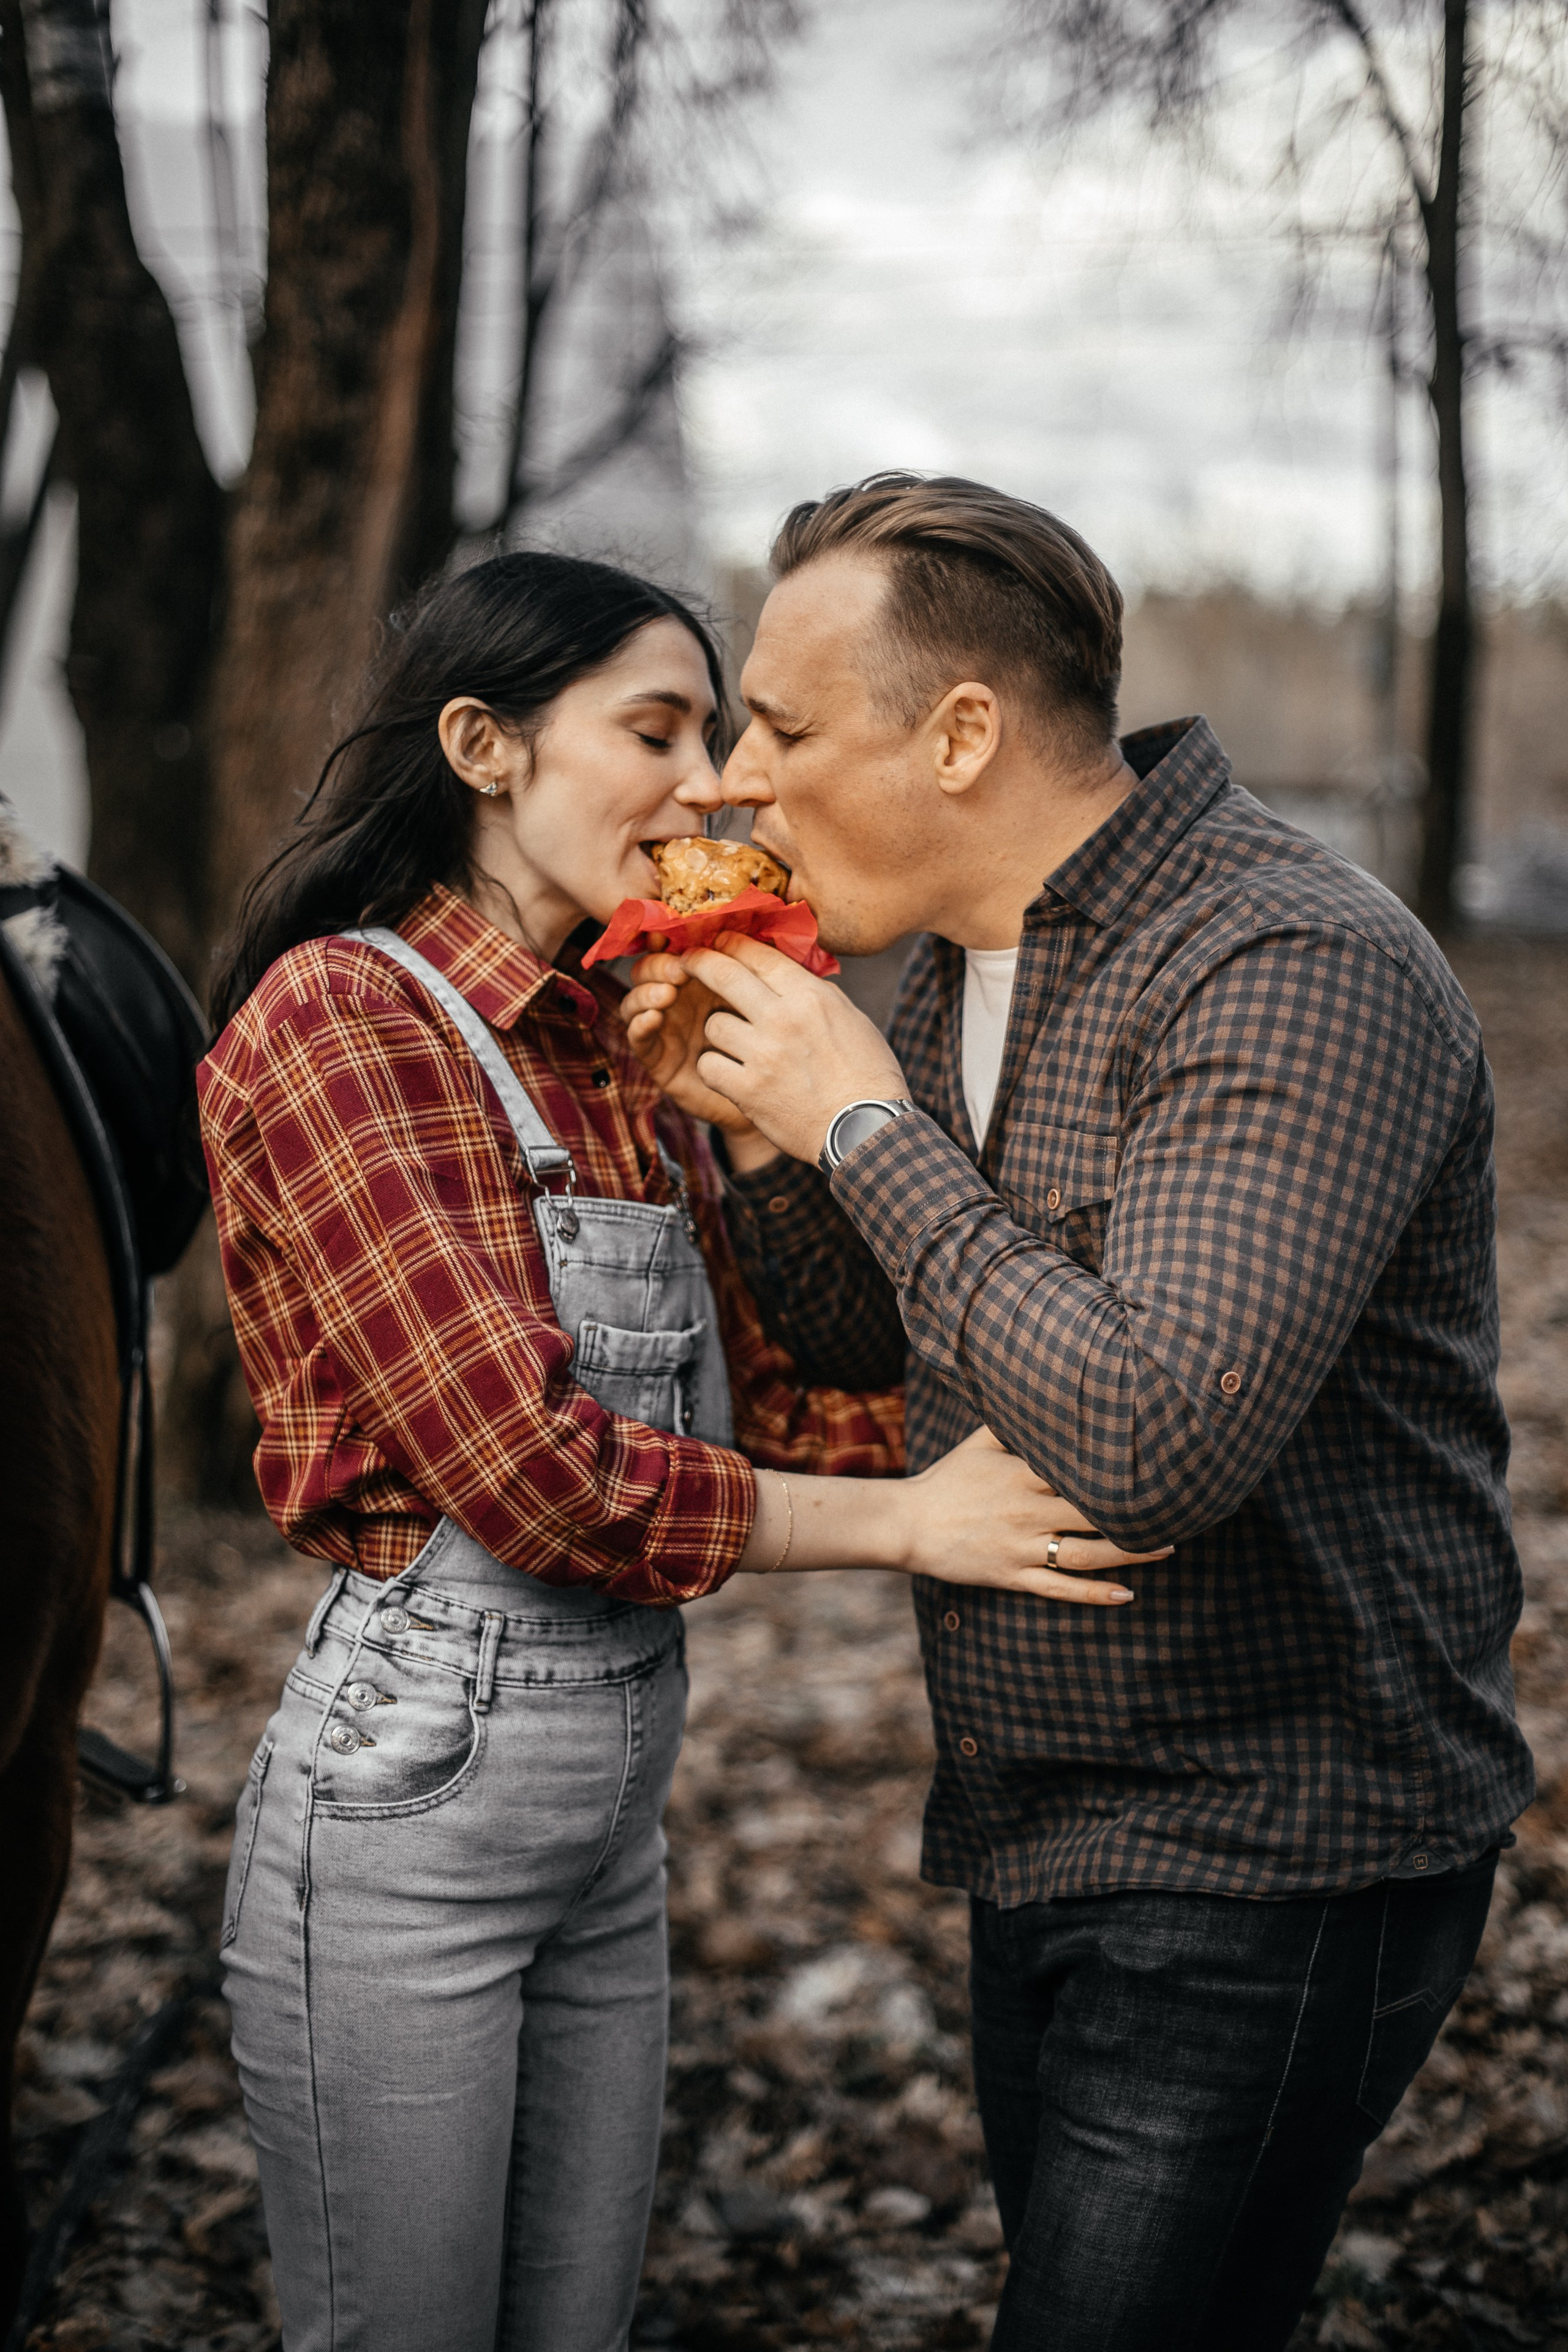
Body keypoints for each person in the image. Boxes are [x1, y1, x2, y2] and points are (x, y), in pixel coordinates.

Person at [197, 550, 1163, 2352]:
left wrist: (1106, 1403)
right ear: (484, 747)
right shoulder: (348, 1019)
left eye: (716, 734)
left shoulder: (607, 1038)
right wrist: (914, 1524)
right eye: (657, 731)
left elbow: (783, 1400)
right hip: (411, 1804)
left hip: (610, 1818)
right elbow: (535, 1475)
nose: (713, 783)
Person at [621, 474, 1534, 2352]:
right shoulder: (961, 958)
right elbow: (871, 1340)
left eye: (782, 729)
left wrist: (859, 1123)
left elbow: (1149, 1440)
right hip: (1043, 1824)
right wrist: (765, 1132)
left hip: (1273, 1848)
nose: (733, 783)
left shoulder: (1288, 966)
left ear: (961, 733)